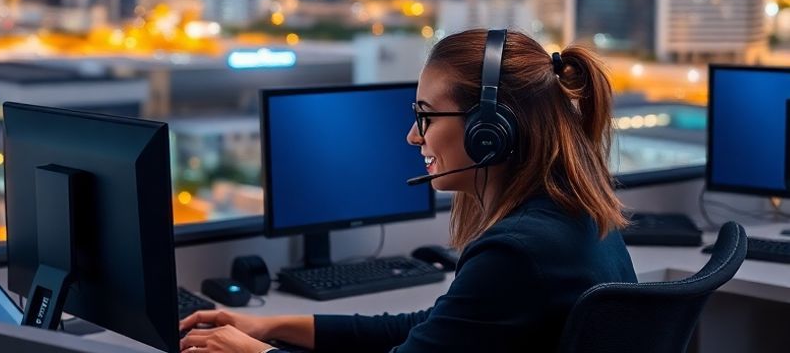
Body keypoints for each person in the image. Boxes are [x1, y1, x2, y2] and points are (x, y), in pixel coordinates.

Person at [180, 29, 637, 352]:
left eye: (427, 116)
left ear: (490, 132)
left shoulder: (518, 253)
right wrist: (271, 325)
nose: (413, 137)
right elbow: (432, 328)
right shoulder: (576, 217)